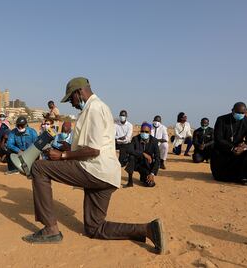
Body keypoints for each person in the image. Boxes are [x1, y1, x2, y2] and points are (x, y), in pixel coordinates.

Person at [23, 77, 165, 254]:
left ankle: (50, 229)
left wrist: (63, 155)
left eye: (71, 99)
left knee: (39, 168)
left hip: (94, 170)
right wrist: (68, 148)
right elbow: (91, 145)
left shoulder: (95, 108)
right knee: (94, 228)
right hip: (106, 176)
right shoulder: (95, 108)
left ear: (79, 92)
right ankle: (147, 230)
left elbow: (94, 150)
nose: (72, 104)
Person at [210, 102, 247, 185]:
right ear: (232, 111)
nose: (240, 114)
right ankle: (237, 176)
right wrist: (232, 148)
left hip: (239, 150)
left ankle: (246, 176)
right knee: (220, 175)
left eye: (242, 113)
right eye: (238, 113)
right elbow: (218, 139)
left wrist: (244, 146)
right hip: (223, 150)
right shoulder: (221, 119)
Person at [125, 122, 160, 187]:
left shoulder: (154, 141)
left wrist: (152, 173)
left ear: (149, 132)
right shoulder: (135, 139)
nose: (144, 133)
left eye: (146, 132)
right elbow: (129, 150)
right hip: (136, 163)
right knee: (131, 157)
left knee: (150, 184)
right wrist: (143, 154)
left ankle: (143, 176)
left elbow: (157, 158)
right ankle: (130, 181)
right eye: (142, 131)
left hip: (146, 165)